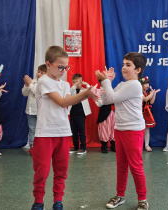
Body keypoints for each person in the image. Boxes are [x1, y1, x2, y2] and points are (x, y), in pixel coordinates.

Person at [30, 46, 100, 210]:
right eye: (60, 67)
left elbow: (70, 101)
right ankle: (38, 201)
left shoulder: (64, 84)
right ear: (48, 64)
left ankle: (58, 201)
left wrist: (87, 92)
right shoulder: (43, 81)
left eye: (66, 67)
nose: (63, 70)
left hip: (62, 132)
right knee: (42, 171)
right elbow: (61, 102)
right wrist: (86, 93)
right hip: (45, 133)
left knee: (61, 171)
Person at [95, 52, 149, 210]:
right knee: (121, 165)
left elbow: (110, 98)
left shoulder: (135, 84)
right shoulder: (121, 85)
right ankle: (120, 196)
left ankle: (143, 199)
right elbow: (106, 101)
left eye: (128, 65)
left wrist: (105, 81)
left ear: (138, 69)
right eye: (123, 64)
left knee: (136, 166)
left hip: (133, 130)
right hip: (120, 129)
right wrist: (107, 83)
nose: (123, 67)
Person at [22, 64, 47, 149]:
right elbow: (24, 93)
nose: (38, 74)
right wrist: (26, 85)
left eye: (42, 72)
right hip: (30, 111)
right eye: (38, 71)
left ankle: (42, 148)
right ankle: (32, 148)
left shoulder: (45, 83)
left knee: (42, 130)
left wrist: (30, 84)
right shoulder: (32, 81)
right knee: (32, 129)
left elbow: (37, 93)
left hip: (41, 111)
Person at [68, 73, 91, 155]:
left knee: (81, 131)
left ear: (81, 81)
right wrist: (74, 85)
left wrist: (86, 84)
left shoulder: (84, 91)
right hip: (73, 113)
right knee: (73, 131)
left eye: (77, 81)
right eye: (73, 82)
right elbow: (69, 92)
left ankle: (83, 148)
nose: (75, 83)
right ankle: (75, 147)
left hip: (81, 114)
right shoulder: (72, 90)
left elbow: (91, 91)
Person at [140, 76, 160, 152]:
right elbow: (145, 99)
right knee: (140, 130)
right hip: (140, 113)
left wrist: (153, 94)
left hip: (147, 113)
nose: (147, 85)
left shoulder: (148, 93)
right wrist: (151, 94)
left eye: (148, 83)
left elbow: (151, 102)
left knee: (147, 129)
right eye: (145, 84)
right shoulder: (139, 92)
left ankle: (146, 145)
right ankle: (139, 144)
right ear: (141, 84)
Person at [95, 81, 116, 153]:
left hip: (113, 112)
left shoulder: (112, 90)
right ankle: (104, 145)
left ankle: (113, 145)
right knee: (104, 128)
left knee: (113, 127)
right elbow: (99, 104)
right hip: (104, 112)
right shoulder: (99, 91)